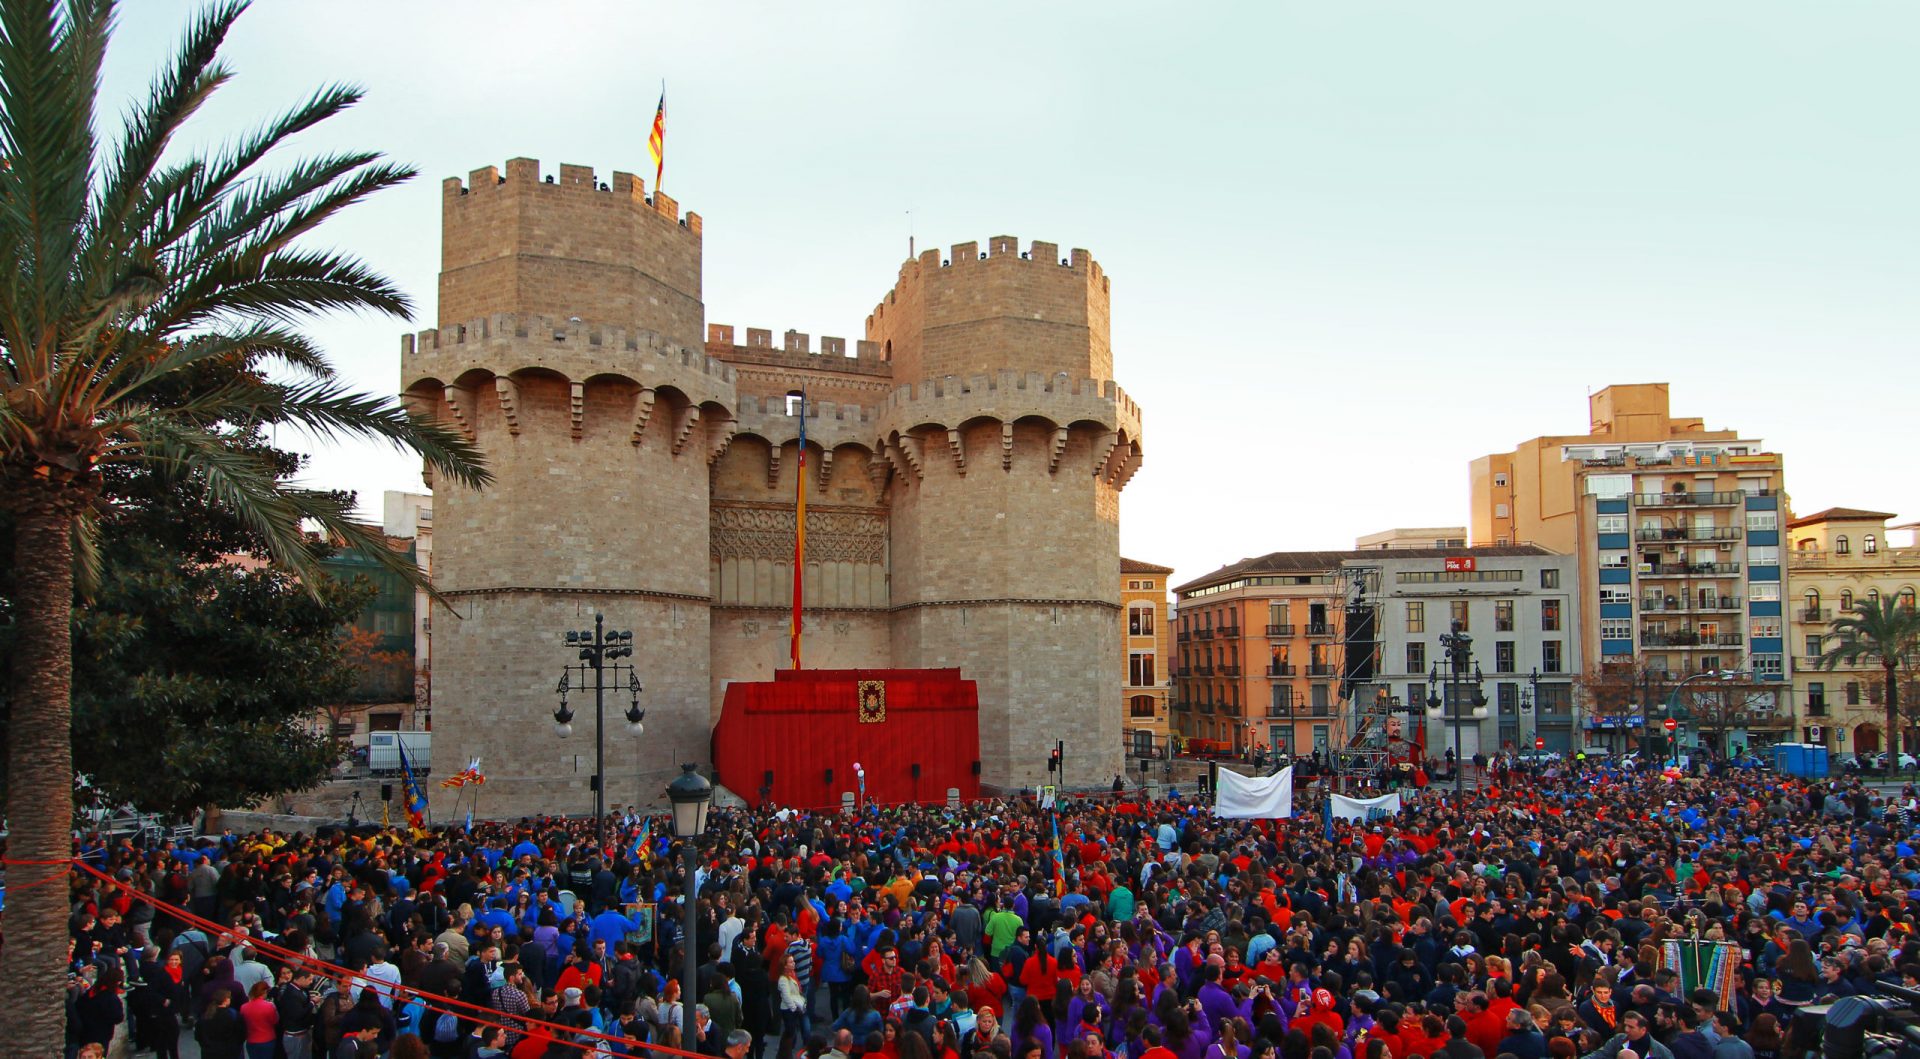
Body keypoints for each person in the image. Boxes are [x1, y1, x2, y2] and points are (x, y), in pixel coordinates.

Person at [197, 988, 247, 1059]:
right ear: (226, 1000)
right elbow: (241, 1034)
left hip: (209, 1052)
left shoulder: (206, 1015)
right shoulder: (233, 1015)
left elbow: (198, 1035)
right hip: (229, 1052)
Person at [240, 979, 281, 1059]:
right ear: (265, 992)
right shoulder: (269, 1006)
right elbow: (275, 1021)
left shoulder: (244, 1007)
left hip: (251, 1040)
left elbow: (243, 1023)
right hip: (267, 1040)